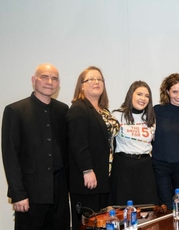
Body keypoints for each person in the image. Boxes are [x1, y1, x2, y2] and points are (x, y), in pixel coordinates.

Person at [1, 63, 70, 230]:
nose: (49, 82)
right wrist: (18, 194)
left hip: (59, 192)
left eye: (54, 78)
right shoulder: (15, 111)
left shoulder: (63, 110)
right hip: (30, 194)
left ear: (58, 84)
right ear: (34, 80)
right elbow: (10, 156)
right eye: (44, 77)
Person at [67, 66, 119, 230]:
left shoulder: (103, 111)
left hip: (103, 179)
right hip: (87, 181)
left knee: (101, 224)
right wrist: (87, 170)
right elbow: (77, 143)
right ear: (81, 85)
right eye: (91, 79)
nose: (96, 82)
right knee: (87, 225)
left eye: (99, 79)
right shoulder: (78, 109)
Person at [110, 81, 159, 206]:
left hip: (144, 166)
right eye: (139, 94)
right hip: (123, 167)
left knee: (147, 207)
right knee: (122, 208)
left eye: (147, 96)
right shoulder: (117, 115)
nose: (143, 98)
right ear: (131, 95)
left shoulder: (151, 118)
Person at [152, 73, 179, 210]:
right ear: (167, 92)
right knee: (165, 206)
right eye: (175, 92)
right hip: (161, 165)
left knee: (178, 205)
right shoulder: (157, 110)